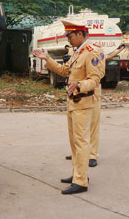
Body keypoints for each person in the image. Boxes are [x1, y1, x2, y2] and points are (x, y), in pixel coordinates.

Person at [33, 19, 104, 194]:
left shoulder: (91, 52)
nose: (68, 39)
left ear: (80, 34)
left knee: (81, 142)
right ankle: (78, 174)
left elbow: (95, 79)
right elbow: (65, 71)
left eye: (70, 35)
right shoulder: (77, 52)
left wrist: (79, 85)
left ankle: (81, 182)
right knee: (74, 143)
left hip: (83, 102)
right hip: (73, 102)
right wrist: (47, 59)